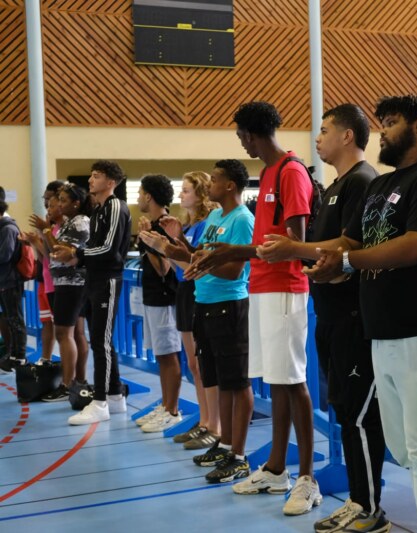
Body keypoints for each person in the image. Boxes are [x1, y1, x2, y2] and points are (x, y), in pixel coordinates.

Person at [303, 95, 417, 533]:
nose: (382, 131)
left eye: (392, 122)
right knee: (405, 449)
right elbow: (353, 243)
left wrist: (345, 263)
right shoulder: (382, 185)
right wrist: (324, 259)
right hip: (386, 334)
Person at [256, 103, 389, 531]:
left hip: (354, 315)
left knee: (357, 414)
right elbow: (326, 246)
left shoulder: (364, 182)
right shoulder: (333, 187)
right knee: (343, 410)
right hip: (330, 313)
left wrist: (294, 250)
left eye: (325, 129)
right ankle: (356, 499)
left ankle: (369, 508)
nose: (318, 137)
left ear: (348, 136)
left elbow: (350, 242)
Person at [189, 101, 320, 514]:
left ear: (250, 133)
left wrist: (236, 250)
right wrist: (232, 253)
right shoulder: (266, 174)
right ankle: (277, 468)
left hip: (285, 287)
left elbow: (293, 243)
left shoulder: (292, 171)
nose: (241, 142)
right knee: (277, 383)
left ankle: (306, 478)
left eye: (240, 135)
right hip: (263, 288)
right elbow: (269, 244)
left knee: (294, 383)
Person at [173, 160, 254, 483]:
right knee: (218, 378)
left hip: (229, 305)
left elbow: (234, 269)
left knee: (237, 381)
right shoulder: (215, 217)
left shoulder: (242, 219)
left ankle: (239, 455)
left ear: (231, 185)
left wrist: (201, 264)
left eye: (217, 179)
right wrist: (181, 253)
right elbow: (203, 255)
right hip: (204, 303)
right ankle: (224, 442)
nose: (211, 185)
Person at [52, 160, 132, 425]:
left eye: (96, 176)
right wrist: (75, 257)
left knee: (101, 341)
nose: (90, 180)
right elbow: (94, 250)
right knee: (101, 340)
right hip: (96, 279)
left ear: (111, 182)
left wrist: (76, 253)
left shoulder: (115, 206)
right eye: (91, 176)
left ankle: (99, 402)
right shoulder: (99, 209)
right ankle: (115, 396)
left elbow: (109, 250)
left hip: (108, 279)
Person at [163, 172, 221, 450]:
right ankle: (204, 420)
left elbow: (194, 266)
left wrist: (173, 247)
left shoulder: (204, 225)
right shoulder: (187, 226)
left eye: (185, 190)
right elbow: (179, 268)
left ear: (200, 194)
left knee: (202, 364)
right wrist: (164, 246)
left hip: (198, 292)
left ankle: (214, 423)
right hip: (184, 292)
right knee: (194, 364)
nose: (181, 195)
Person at [135, 174, 183, 433]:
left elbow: (164, 268)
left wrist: (146, 239)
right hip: (152, 298)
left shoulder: (163, 226)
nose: (138, 197)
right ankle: (165, 406)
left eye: (140, 192)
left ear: (149, 196)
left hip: (165, 298)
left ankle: (172, 410)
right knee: (161, 355)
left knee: (168, 354)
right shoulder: (151, 224)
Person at [37, 183, 91, 402]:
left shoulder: (80, 222)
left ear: (76, 203)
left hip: (73, 283)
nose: (58, 205)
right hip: (63, 283)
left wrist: (47, 230)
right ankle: (73, 381)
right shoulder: (70, 222)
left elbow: (59, 252)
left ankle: (68, 384)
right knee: (69, 333)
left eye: (63, 201)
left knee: (64, 333)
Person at [27, 180, 64, 364]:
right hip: (45, 279)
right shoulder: (47, 222)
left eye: (51, 201)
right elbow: (44, 259)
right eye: (46, 201)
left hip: (59, 282)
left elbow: (54, 254)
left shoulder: (61, 226)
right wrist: (34, 241)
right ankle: (45, 358)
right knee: (46, 322)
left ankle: (69, 374)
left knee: (64, 330)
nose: (47, 205)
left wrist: (37, 241)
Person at [0, 186, 28, 372]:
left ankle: (19, 356)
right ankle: (11, 353)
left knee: (15, 319)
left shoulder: (8, 229)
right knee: (9, 318)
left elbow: (4, 255)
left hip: (10, 281)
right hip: (3, 281)